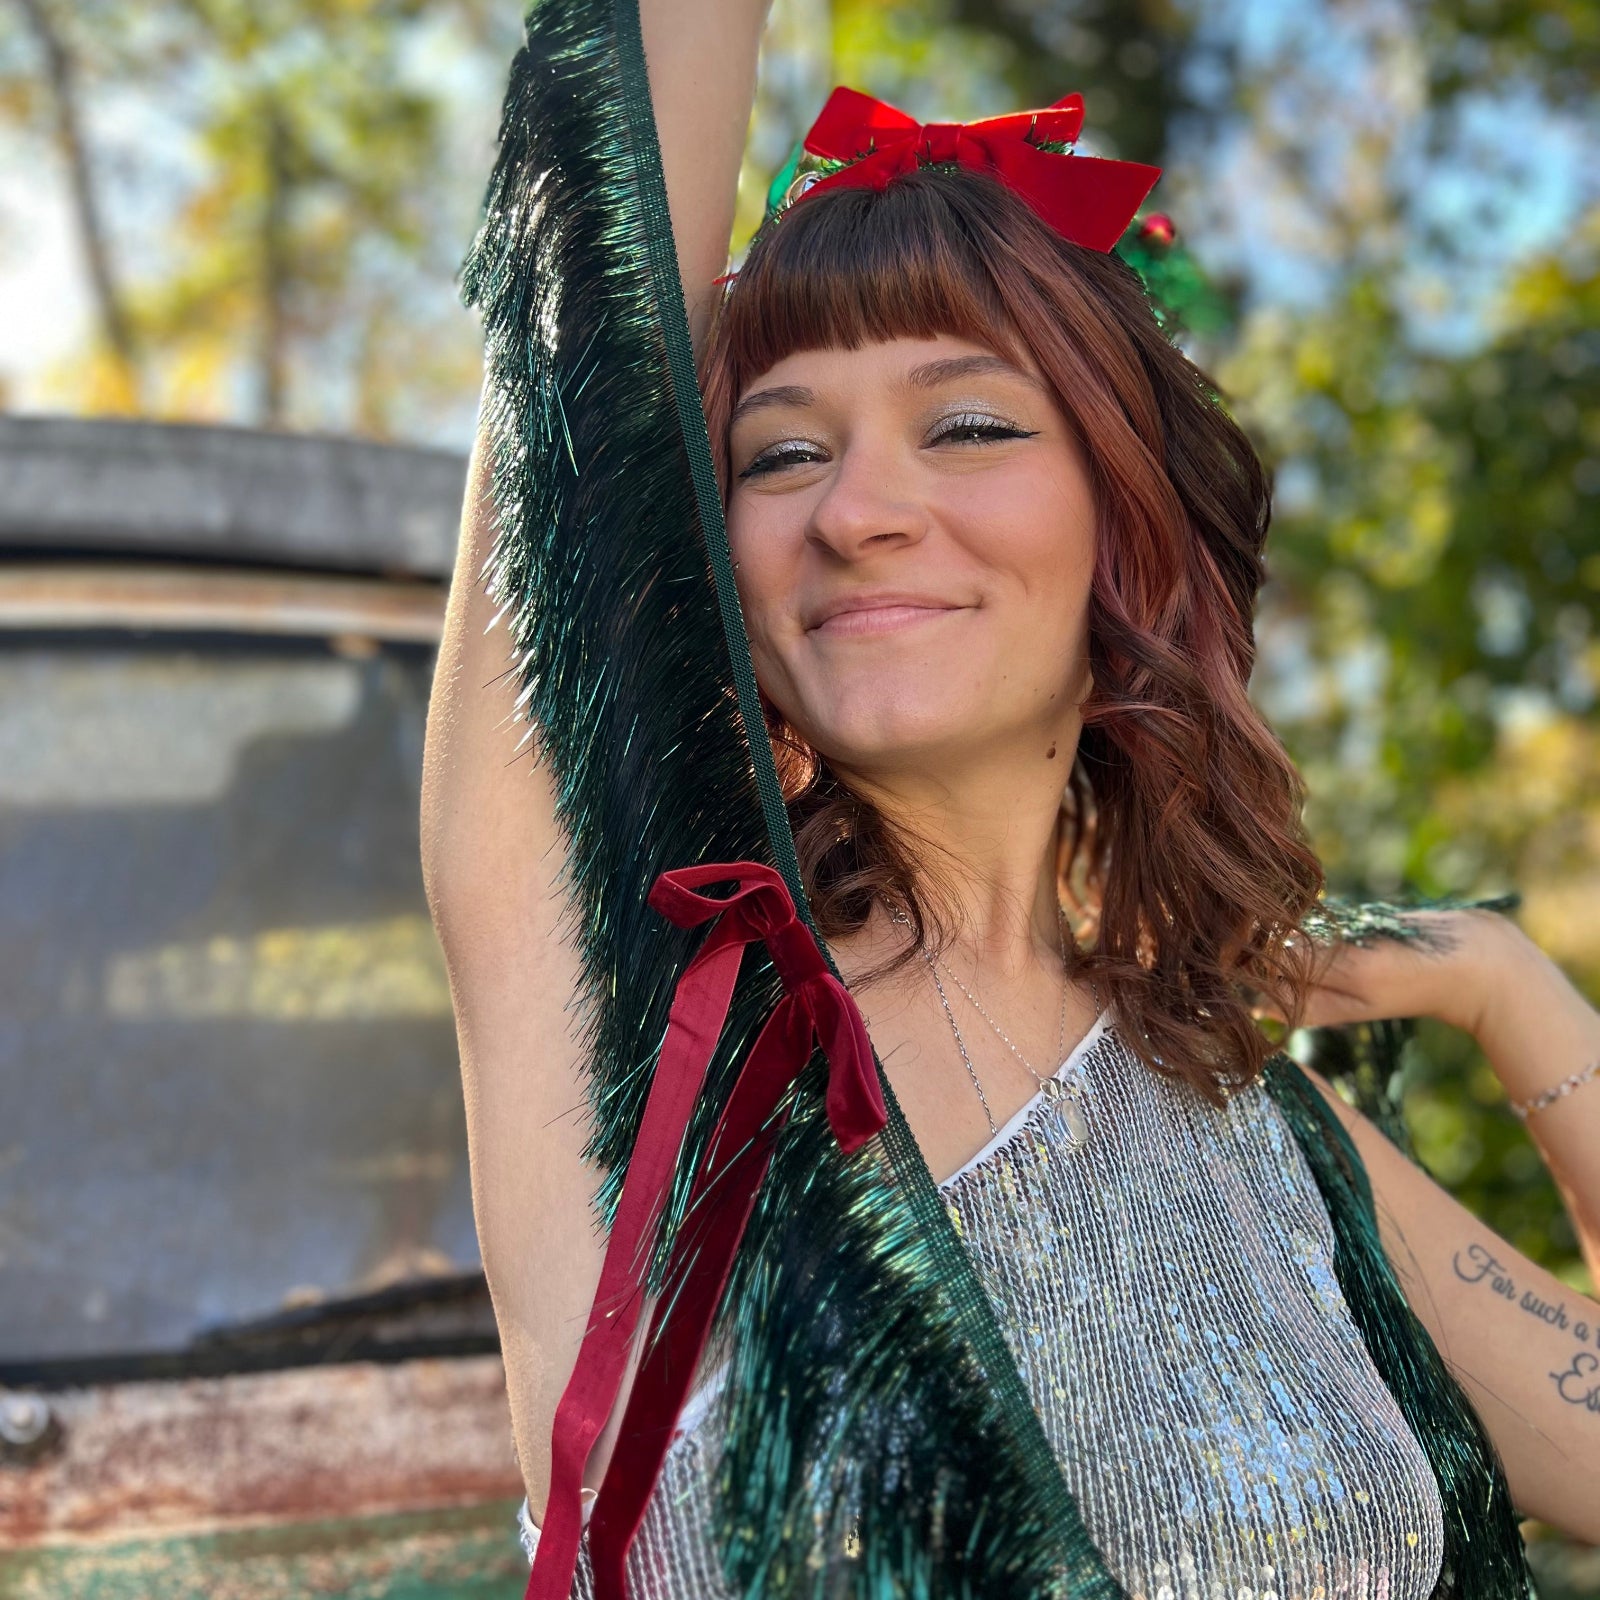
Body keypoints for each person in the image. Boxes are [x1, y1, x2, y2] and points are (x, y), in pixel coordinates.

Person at [420, 1, 1600, 1595]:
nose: (859, 509)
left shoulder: (1258, 1123)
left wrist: (1505, 988)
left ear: (1131, 537)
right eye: (778, 458)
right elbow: (590, 283)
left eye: (966, 425)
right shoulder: (655, 1018)